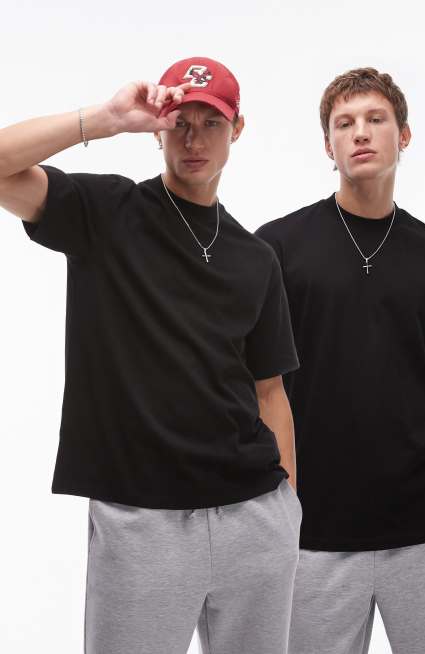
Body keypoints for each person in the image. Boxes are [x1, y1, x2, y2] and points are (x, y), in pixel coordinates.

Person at [0, 56, 302, 654]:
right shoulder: (107, 213)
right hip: (144, 523)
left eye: (211, 123)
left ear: (237, 129)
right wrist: (105, 119)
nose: (194, 140)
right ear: (158, 129)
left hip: (256, 520)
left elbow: (270, 391)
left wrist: (289, 509)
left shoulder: (255, 257)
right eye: (179, 123)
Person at [254, 67, 425, 654]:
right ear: (328, 146)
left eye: (376, 119)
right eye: (344, 124)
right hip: (311, 532)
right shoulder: (278, 249)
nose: (361, 133)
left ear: (405, 135)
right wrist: (268, 522)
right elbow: (254, 392)